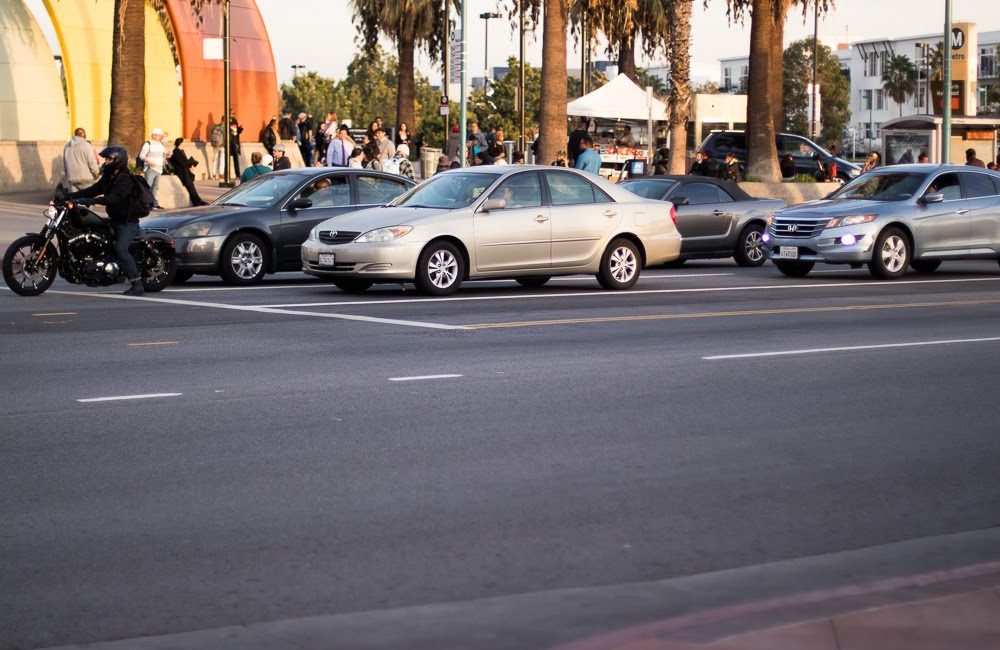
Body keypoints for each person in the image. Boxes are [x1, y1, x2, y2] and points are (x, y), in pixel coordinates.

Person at [63, 146, 146, 296]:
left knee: (120, 248)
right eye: (106, 159)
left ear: (118, 160)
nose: (106, 161)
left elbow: (112, 199)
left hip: (127, 223)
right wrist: (69, 196)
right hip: (113, 220)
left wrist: (91, 201)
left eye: (109, 159)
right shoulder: (109, 177)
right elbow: (92, 190)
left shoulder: (125, 179)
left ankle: (137, 284)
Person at [169, 138, 208, 206]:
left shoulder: (181, 151)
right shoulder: (176, 151)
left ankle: (198, 200)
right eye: (184, 142)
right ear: (180, 143)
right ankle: (197, 201)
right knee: (190, 186)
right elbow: (181, 163)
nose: (185, 143)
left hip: (185, 171)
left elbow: (185, 161)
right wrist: (190, 163)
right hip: (181, 173)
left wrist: (191, 164)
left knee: (191, 186)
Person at [62, 128, 100, 192]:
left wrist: (68, 175)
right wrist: (96, 173)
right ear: (83, 134)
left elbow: (65, 163)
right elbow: (91, 162)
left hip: (72, 178)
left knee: (74, 197)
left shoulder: (67, 146)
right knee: (87, 196)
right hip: (86, 178)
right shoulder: (86, 145)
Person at [138, 127, 167, 210]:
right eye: (158, 135)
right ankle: (144, 204)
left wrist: (167, 154)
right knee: (147, 187)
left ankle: (154, 204)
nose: (160, 137)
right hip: (150, 169)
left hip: (159, 169)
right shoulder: (148, 144)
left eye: (160, 135)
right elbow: (142, 155)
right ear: (154, 135)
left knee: (155, 188)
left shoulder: (161, 145)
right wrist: (149, 162)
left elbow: (164, 154)